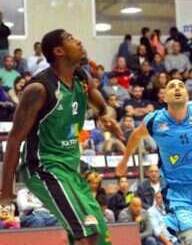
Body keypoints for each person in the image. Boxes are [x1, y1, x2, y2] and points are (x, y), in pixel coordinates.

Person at [0, 29, 123, 245]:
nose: (79, 41)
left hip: (70, 169)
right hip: (44, 168)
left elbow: (105, 108)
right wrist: (6, 192)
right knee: (87, 232)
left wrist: (107, 116)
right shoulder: (39, 89)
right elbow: (14, 140)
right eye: (71, 39)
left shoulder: (81, 77)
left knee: (99, 233)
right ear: (59, 51)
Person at [116, 79, 192, 245]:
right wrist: (125, 160)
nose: (177, 88)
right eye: (172, 86)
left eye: (181, 86)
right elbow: (136, 135)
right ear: (164, 98)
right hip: (177, 191)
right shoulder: (155, 121)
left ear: (187, 95)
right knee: (191, 239)